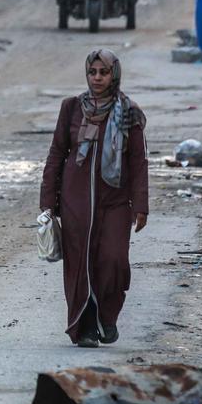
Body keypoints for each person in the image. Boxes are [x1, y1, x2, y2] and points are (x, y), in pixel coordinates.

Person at [39, 49, 148, 348]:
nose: (97, 78)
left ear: (114, 74)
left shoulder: (130, 112)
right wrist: (48, 201)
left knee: (113, 260)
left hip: (115, 202)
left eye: (103, 72)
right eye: (92, 72)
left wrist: (141, 205)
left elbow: (138, 161)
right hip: (76, 203)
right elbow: (57, 154)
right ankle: (84, 328)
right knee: (80, 266)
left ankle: (107, 317)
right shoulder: (71, 108)